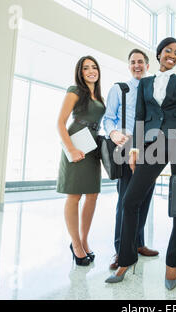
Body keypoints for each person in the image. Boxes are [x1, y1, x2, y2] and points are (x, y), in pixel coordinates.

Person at [105, 37, 176, 290]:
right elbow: (139, 117)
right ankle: (126, 259)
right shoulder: (146, 83)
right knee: (130, 200)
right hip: (151, 144)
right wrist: (135, 149)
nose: (172, 54)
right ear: (158, 55)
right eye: (168, 50)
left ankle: (172, 265)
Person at [103, 49, 159, 271]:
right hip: (126, 146)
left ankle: (138, 244)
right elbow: (108, 119)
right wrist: (113, 133)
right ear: (129, 66)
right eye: (133, 62)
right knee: (126, 199)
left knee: (144, 198)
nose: (137, 65)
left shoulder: (153, 89)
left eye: (141, 62)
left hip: (151, 148)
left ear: (147, 65)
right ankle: (121, 249)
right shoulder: (119, 89)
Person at [56, 56, 106, 266]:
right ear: (80, 72)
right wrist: (71, 149)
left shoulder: (99, 96)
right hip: (76, 140)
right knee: (74, 195)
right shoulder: (75, 91)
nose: (91, 71)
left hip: (92, 143)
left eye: (94, 67)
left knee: (92, 195)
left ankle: (84, 240)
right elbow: (60, 122)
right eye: (86, 68)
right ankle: (75, 244)